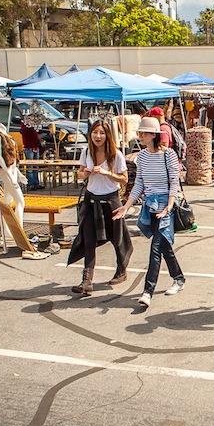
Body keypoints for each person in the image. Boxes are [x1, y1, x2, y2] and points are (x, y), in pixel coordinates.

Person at [113, 118, 186, 308]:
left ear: (154, 134)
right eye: (140, 133)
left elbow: (174, 182)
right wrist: (126, 205)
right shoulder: (142, 157)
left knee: (155, 248)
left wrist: (169, 206)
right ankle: (178, 278)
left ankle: (148, 291)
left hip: (165, 206)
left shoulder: (168, 154)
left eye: (144, 133)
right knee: (163, 247)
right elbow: (139, 184)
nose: (141, 136)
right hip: (149, 205)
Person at [68, 119, 133, 295]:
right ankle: (87, 281)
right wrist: (85, 173)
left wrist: (106, 173)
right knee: (88, 239)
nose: (98, 136)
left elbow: (124, 179)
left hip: (110, 200)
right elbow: (80, 174)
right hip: (91, 201)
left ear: (107, 135)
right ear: (90, 134)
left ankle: (121, 269)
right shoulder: (86, 152)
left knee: (117, 238)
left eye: (102, 133)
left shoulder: (115, 155)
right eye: (95, 132)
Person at [0, 122, 26, 226]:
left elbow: (13, 158)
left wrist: (18, 173)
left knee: (8, 201)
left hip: (12, 170)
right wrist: (10, 175)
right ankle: (19, 229)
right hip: (5, 171)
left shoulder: (7, 135)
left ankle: (7, 230)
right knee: (20, 201)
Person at [19, 118, 43, 189]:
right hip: (28, 149)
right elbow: (23, 131)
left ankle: (36, 183)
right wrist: (28, 125)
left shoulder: (34, 127)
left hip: (35, 147)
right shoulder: (25, 128)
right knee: (30, 168)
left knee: (36, 167)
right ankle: (30, 184)